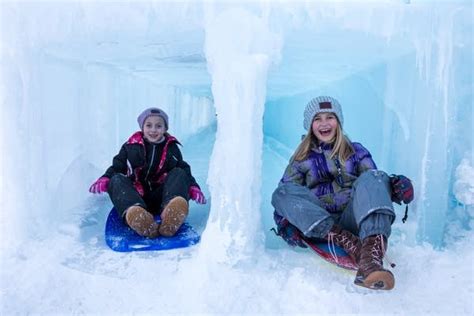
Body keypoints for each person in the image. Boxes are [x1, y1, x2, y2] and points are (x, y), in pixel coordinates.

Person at [271, 96, 413, 290]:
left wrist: (396, 186)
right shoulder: (300, 158)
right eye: (317, 119)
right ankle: (348, 242)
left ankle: (371, 255)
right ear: (310, 125)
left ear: (338, 122)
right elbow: (287, 196)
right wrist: (285, 223)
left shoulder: (356, 151)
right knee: (281, 193)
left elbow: (373, 187)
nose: (324, 123)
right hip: (321, 225)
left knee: (374, 176)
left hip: (353, 219)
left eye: (330, 117)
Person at [89, 107, 207, 238]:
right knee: (116, 178)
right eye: (149, 125)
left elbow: (183, 169)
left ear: (165, 129)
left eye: (158, 126)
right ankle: (136, 214)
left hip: (162, 197)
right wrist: (106, 178)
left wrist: (192, 186)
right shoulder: (130, 147)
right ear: (142, 127)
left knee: (179, 172)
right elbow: (118, 166)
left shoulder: (172, 148)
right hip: (135, 196)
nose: (153, 130)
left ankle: (171, 211)